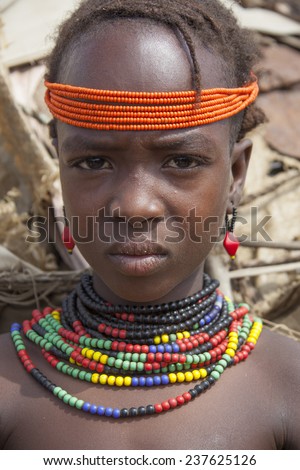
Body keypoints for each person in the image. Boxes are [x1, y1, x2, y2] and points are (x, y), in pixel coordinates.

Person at [0, 0, 299, 451]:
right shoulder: (7, 387)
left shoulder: (288, 388)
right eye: (93, 161)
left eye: (182, 161)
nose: (135, 207)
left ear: (235, 174)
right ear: (60, 165)